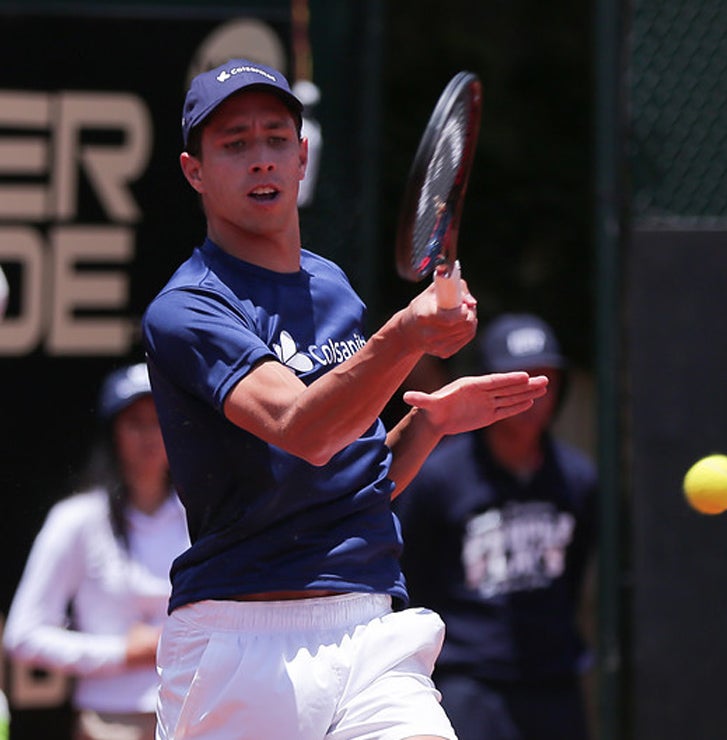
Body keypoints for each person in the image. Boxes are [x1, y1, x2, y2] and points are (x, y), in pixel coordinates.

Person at [140, 59, 548, 740]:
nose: (261, 160)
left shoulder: (331, 287)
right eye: (235, 145)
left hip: (370, 634)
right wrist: (410, 333)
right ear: (195, 172)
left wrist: (428, 422)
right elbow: (303, 430)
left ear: (302, 159)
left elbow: (350, 478)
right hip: (238, 646)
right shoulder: (186, 309)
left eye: (275, 140)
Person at [395, 313, 598, 740]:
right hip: (467, 683)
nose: (534, 398)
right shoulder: (438, 478)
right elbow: (408, 571)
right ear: (488, 385)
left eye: (545, 382)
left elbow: (575, 570)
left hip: (553, 682)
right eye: (519, 384)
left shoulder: (577, 479)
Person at [4, 362, 189, 740]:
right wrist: (119, 651)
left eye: (160, 421)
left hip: (194, 714)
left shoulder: (203, 515)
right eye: (136, 423)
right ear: (113, 433)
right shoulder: (77, 519)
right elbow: (22, 635)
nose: (150, 436)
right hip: (108, 723)